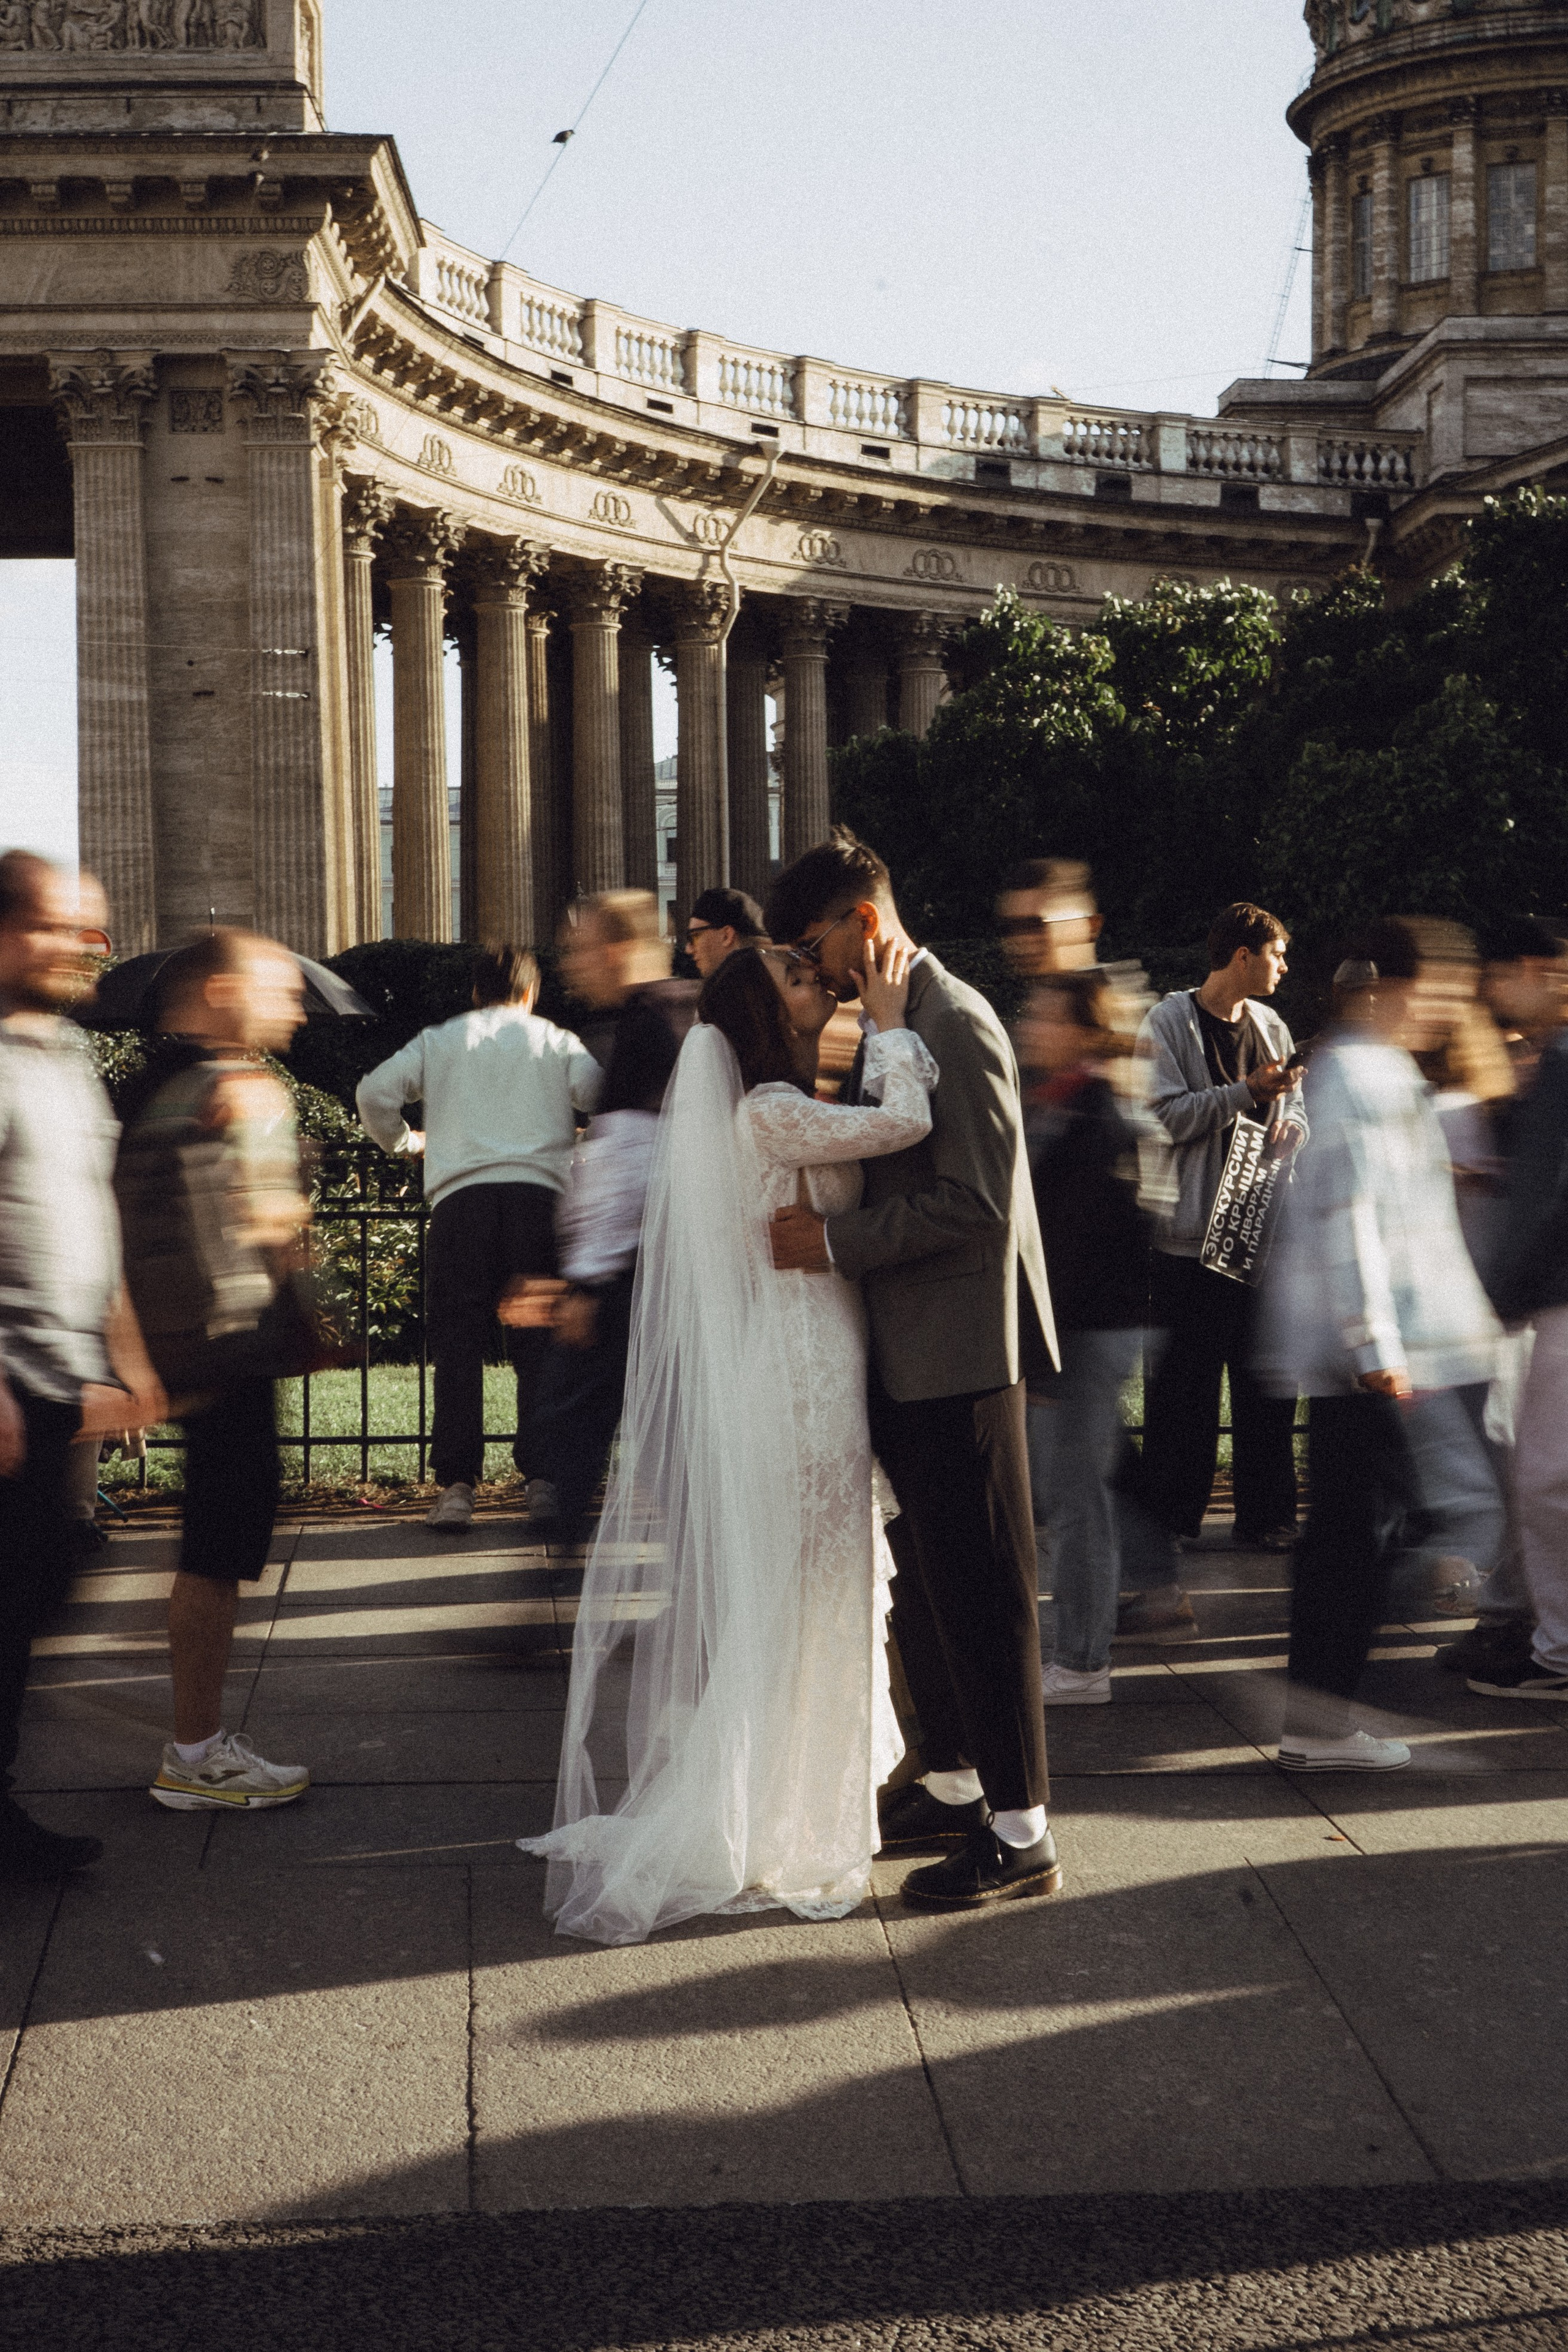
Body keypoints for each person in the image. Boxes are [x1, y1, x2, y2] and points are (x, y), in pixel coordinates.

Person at [519, 937, 936, 1944]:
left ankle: (785, 1803)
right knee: (804, 1595)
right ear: (762, 1011)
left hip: (806, 1361)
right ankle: (777, 1815)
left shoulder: (774, 1107)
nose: (817, 988)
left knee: (807, 1596)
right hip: (797, 1374)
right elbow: (906, 1121)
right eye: (799, 980)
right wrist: (892, 1027)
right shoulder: (766, 1112)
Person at [767, 828, 1061, 1912]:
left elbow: (976, 1205)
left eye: (812, 942)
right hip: (909, 1353)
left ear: (866, 922)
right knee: (929, 1595)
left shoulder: (957, 1017)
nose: (810, 966)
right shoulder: (888, 1021)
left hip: (963, 1353)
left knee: (984, 1597)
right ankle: (951, 1782)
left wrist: (836, 1248)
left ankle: (1023, 1833)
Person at [1256, 922, 1501, 1769]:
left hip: (1368, 1348)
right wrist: (1375, 1342)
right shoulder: (1362, 1074)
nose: (1448, 1010)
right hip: (1365, 1355)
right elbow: (1350, 1214)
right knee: (1363, 1532)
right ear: (1398, 987)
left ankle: (1317, 1720)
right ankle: (1319, 1725)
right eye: (1439, 990)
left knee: (1358, 1529)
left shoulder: (1375, 1070)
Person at [115, 929, 314, 1813]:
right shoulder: (238, 1088)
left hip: (197, 1347)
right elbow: (264, 1230)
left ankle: (196, 1743)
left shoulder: (160, 1084)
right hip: (227, 1347)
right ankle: (194, 1755)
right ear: (224, 991)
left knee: (212, 1548)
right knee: (215, 1551)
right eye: (281, 989)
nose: (297, 1005)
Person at [0, 854, 160, 1883]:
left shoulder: (64, 1055)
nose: (84, 949)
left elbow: (94, 1218)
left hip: (57, 1382)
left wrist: (131, 1361)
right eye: (63, 928)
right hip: (7, 1383)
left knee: (39, 1588)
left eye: (90, 932)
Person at [356, 945, 600, 1532]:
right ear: (531, 993)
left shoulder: (439, 1040)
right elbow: (600, 1097)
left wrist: (405, 1142)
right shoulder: (555, 1040)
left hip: (460, 1205)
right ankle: (541, 1480)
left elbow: (373, 1093)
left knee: (457, 1347)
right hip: (539, 1201)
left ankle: (457, 1485)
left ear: (474, 993)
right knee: (539, 1347)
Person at [1124, 903, 1305, 1633]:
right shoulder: (1165, 1025)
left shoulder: (1272, 1026)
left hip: (1260, 1230)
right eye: (1277, 954)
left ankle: (1267, 1517)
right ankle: (1173, 1518)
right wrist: (1245, 1096)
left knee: (1267, 1379)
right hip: (1188, 1238)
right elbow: (1159, 1116)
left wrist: (1291, 1125)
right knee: (1184, 1390)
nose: (1284, 968)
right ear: (1239, 955)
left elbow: (1300, 1110)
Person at [515, 892, 695, 1547]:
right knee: (654, 1446)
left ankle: (547, 1609)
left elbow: (630, 1168)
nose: (568, 964)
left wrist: (586, 1284)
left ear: (617, 949)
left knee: (571, 1431)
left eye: (579, 947)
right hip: (653, 1275)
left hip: (625, 1281)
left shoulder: (646, 1023)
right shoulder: (672, 1012)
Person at [1018, 971, 1156, 1706]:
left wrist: (1042, 1357)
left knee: (1075, 1500)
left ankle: (1081, 1662)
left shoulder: (1093, 1111)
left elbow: (1075, 1247)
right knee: (1071, 1495)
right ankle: (1089, 1644)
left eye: (1043, 1014)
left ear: (1080, 1028)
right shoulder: (1067, 1102)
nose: (1029, 1023)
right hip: (1078, 1333)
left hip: (1080, 1334)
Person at [994, 858, 1102, 981]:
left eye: (1036, 924)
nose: (1021, 939)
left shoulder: (1124, 997)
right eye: (1010, 927)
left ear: (1091, 926)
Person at [684, 886, 766, 981]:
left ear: (727, 936)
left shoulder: (739, 991)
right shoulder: (768, 979)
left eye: (695, 936)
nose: (688, 949)